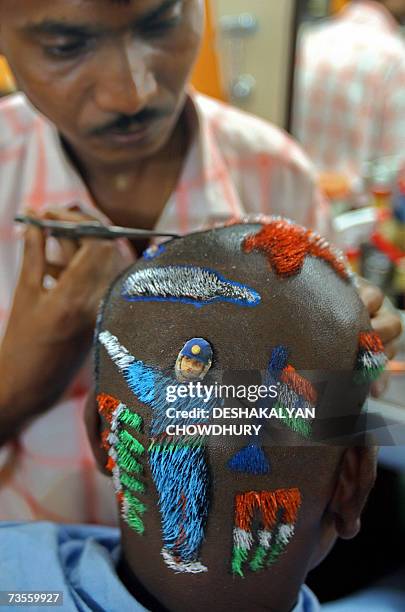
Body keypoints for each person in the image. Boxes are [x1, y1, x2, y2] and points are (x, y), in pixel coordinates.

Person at [0, 0, 401, 523]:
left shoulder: (275, 174)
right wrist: (19, 383)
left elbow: (334, 429)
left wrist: (341, 368)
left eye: (161, 21)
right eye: (66, 47)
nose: (132, 93)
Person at [0, 219, 400, 612]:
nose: (192, 368)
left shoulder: (14, 574)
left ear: (101, 434)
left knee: (190, 505)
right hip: (175, 459)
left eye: (201, 362)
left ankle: (185, 550)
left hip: (185, 461)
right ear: (356, 481)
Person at [292, 0, 405, 189]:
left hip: (291, 205)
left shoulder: (306, 41)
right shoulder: (396, 59)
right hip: (358, 212)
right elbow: (394, 171)